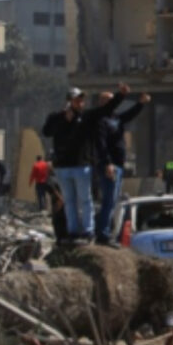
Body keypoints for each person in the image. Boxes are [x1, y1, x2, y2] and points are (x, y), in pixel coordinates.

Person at [42, 85, 127, 243]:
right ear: (69, 101)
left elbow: (105, 109)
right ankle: (73, 231)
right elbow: (46, 131)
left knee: (85, 199)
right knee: (69, 200)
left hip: (82, 165)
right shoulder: (56, 117)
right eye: (77, 100)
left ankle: (88, 232)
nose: (81, 103)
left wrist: (120, 96)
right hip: (62, 166)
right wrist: (62, 120)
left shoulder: (87, 117)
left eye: (82, 100)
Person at [94, 91, 151, 246]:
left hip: (118, 166)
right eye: (106, 101)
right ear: (101, 103)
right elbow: (101, 145)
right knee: (108, 201)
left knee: (113, 202)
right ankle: (103, 234)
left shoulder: (116, 118)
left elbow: (129, 115)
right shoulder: (100, 120)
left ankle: (109, 233)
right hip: (109, 166)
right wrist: (107, 163)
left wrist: (141, 103)